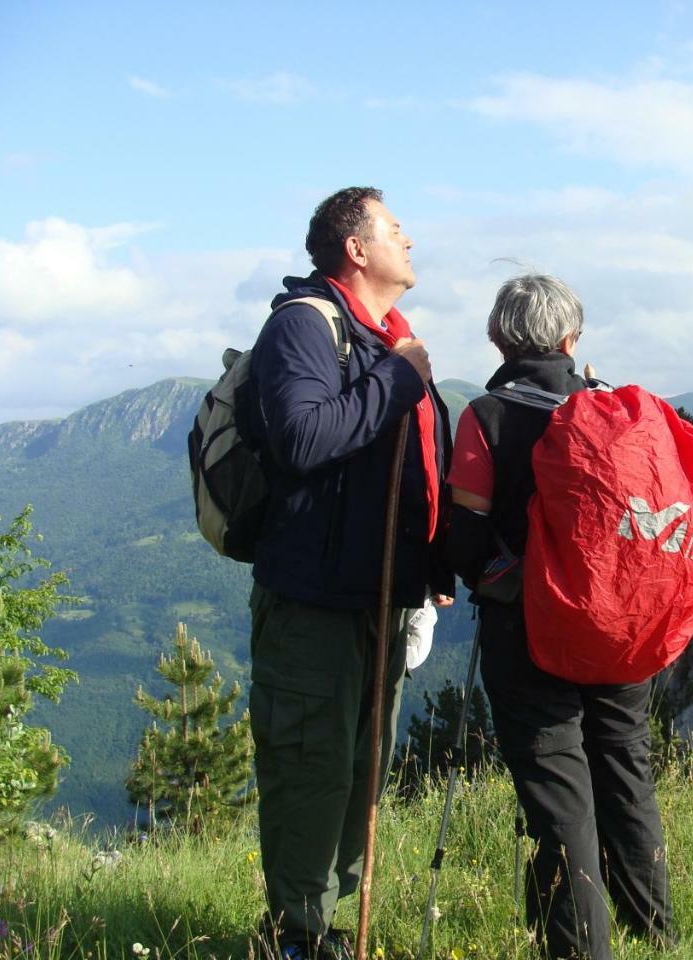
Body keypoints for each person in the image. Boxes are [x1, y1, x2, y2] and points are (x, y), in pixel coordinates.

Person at [246, 186, 453, 959]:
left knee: (364, 770)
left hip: (381, 599)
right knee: (312, 770)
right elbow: (303, 439)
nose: (410, 240)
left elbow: (412, 464)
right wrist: (399, 378)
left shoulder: (387, 336)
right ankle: (294, 936)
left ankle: (331, 929)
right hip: (314, 602)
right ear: (356, 248)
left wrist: (431, 570)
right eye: (395, 229)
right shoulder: (304, 326)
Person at [447, 275, 675, 960]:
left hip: (532, 635)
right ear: (571, 339)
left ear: (497, 338)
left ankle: (581, 951)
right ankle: (653, 932)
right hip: (620, 628)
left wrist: (497, 580)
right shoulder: (613, 410)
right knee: (625, 770)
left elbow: (465, 541)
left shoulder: (486, 418)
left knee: (558, 795)